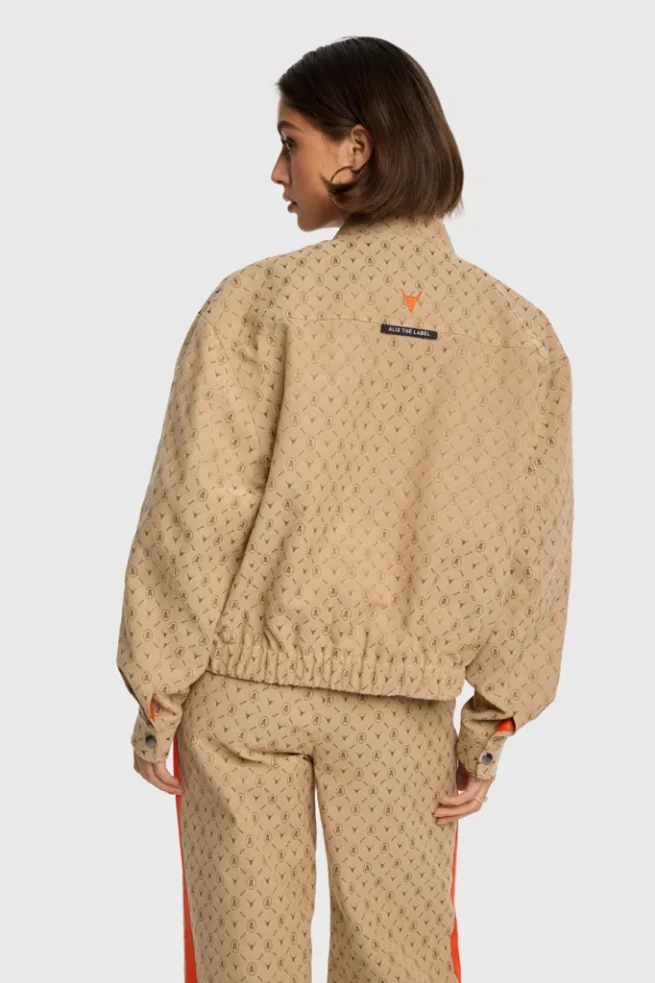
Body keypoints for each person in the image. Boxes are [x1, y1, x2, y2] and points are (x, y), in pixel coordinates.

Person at [116, 35, 574, 983]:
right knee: (403, 966)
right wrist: (493, 721)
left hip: (243, 701)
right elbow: (533, 545)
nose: (275, 170)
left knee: (243, 970)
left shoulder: (258, 304)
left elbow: (198, 507)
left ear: (354, 149)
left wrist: (157, 684)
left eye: (290, 141)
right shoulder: (518, 337)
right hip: (402, 715)